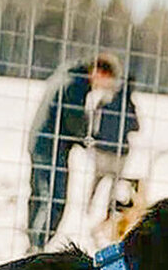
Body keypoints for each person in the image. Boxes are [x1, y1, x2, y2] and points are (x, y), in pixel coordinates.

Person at [26, 52, 121, 253]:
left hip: (39, 142)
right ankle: (38, 246)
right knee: (56, 198)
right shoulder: (77, 85)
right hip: (53, 147)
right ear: (98, 72)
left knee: (39, 195)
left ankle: (33, 241)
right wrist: (88, 138)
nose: (103, 87)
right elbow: (73, 119)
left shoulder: (65, 75)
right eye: (106, 81)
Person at [86, 70, 140, 216]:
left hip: (102, 149)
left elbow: (94, 121)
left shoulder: (105, 100)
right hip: (119, 152)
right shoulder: (130, 106)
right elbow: (136, 127)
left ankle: (88, 207)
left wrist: (95, 136)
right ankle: (108, 211)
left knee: (96, 180)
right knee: (113, 185)